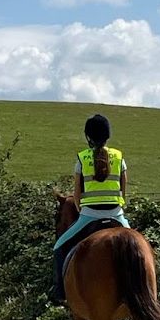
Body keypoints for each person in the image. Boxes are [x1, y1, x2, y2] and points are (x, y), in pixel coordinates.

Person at [50, 114, 129, 303]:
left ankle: (60, 292)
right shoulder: (119, 157)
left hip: (88, 216)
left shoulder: (82, 159)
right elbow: (123, 192)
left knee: (59, 247)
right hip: (116, 215)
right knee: (144, 250)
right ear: (107, 136)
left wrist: (81, 209)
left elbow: (77, 195)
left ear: (88, 137)